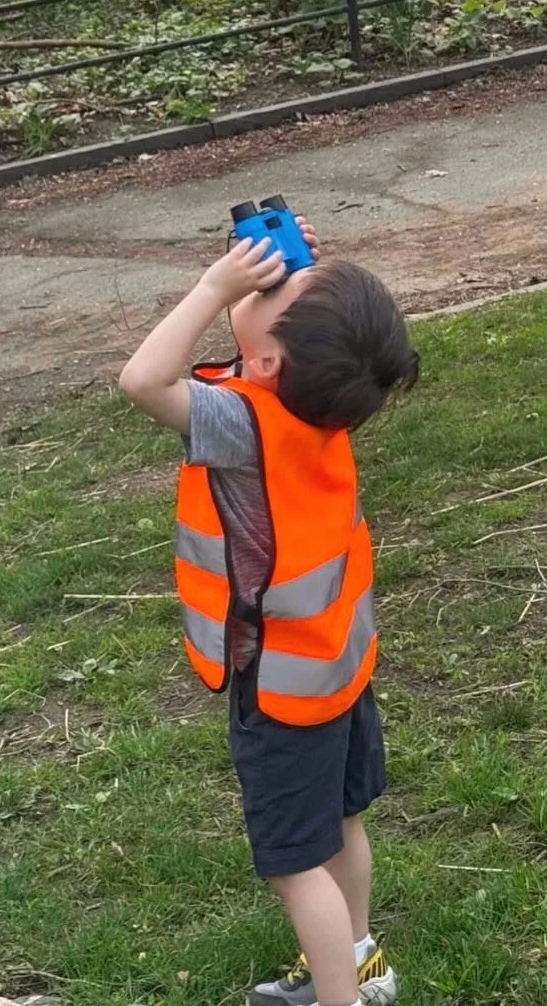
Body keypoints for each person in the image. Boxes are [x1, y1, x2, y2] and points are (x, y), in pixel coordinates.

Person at [118, 214, 419, 1006]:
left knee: (293, 860)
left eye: (279, 284)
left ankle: (337, 1001)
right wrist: (294, 278)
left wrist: (213, 287)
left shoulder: (242, 423)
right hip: (337, 667)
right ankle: (359, 965)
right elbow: (314, 334)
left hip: (279, 689)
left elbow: (142, 381)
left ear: (265, 360)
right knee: (343, 820)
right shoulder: (331, 392)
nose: (261, 279)